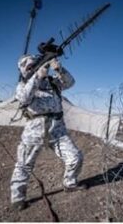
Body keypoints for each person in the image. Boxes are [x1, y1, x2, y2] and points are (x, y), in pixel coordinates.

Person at [10, 55, 85, 211]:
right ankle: (17, 198)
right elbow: (24, 99)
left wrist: (59, 69)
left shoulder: (52, 82)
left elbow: (70, 83)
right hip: (34, 133)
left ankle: (70, 183)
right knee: (24, 166)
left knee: (75, 157)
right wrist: (37, 77)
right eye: (28, 67)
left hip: (58, 131)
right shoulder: (23, 85)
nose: (32, 68)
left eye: (34, 65)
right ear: (23, 70)